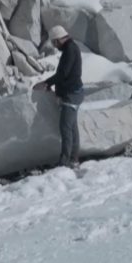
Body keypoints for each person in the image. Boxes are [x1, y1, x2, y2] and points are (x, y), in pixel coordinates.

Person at [34, 25, 84, 168]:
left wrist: (46, 83)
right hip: (74, 93)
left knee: (66, 128)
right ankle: (73, 159)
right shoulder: (71, 48)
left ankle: (65, 162)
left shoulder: (70, 50)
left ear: (59, 39)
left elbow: (63, 74)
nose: (55, 46)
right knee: (72, 128)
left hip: (71, 95)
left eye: (55, 43)